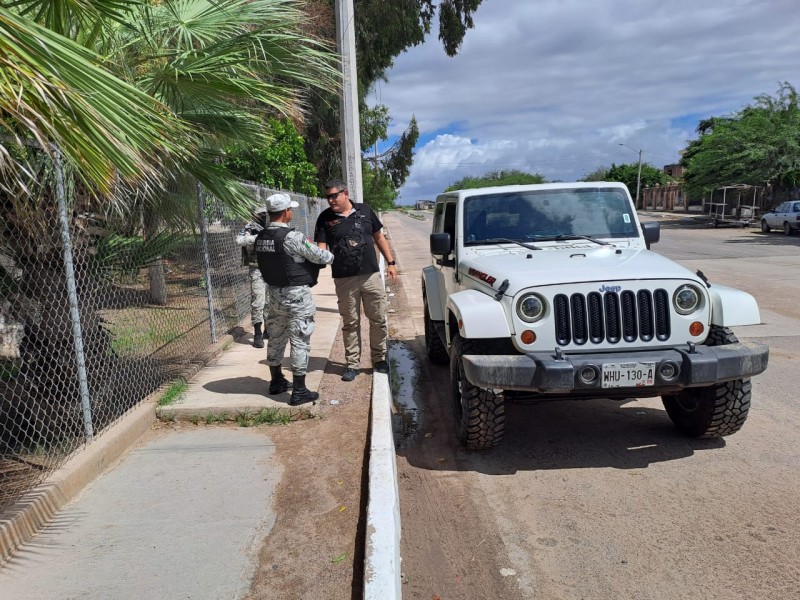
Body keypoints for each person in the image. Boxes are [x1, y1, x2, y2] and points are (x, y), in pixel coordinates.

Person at [314, 179, 397, 382]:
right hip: (344, 280)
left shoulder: (365, 211)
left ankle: (379, 359)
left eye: (334, 195)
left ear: (345, 193)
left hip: (371, 275)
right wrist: (315, 256)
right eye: (328, 197)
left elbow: (379, 237)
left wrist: (391, 262)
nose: (330, 200)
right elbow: (321, 248)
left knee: (377, 319)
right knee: (350, 322)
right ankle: (352, 364)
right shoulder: (325, 218)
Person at [255, 193, 334, 405]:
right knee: (300, 337)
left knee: (276, 336)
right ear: (286, 212)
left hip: (274, 295)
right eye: (291, 209)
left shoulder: (261, 237)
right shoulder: (292, 237)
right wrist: (331, 254)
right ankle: (299, 390)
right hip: (297, 295)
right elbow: (320, 256)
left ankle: (277, 380)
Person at [236, 207, 268, 348]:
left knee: (270, 301)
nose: (264, 216)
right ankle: (257, 333)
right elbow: (239, 240)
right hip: (257, 268)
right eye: (261, 214)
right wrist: (257, 237)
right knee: (258, 300)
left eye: (265, 213)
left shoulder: (273, 225)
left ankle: (268, 329)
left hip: (272, 268)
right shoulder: (251, 227)